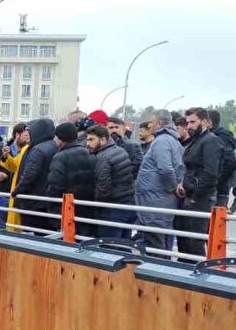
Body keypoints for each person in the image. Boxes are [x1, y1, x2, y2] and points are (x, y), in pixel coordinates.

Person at [135, 110, 186, 254]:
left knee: (155, 244)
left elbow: (165, 168)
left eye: (151, 122)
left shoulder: (161, 141)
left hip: (156, 200)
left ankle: (156, 267)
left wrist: (172, 188)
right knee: (161, 241)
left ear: (160, 123)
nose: (149, 125)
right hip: (160, 198)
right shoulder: (172, 141)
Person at [176, 108, 222, 257]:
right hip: (190, 196)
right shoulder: (196, 140)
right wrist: (184, 185)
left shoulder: (210, 140)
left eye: (193, 122)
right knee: (185, 241)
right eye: (188, 122)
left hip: (200, 199)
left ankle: (197, 270)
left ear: (205, 122)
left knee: (194, 242)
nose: (189, 126)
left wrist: (195, 193)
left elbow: (210, 173)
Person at [46, 122, 98, 236]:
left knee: (65, 240)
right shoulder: (89, 153)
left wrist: (51, 206)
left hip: (66, 209)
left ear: (61, 138)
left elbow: (55, 185)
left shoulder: (60, 157)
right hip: (86, 209)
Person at [86, 124, 136, 239]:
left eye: (91, 139)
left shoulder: (103, 157)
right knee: (125, 244)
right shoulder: (120, 150)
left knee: (109, 246)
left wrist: (97, 207)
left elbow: (103, 188)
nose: (87, 143)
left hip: (112, 209)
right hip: (127, 204)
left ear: (103, 140)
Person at [11, 119, 57, 230]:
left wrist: (16, 191)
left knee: (32, 234)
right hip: (47, 201)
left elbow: (30, 175)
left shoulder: (37, 150)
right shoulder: (54, 146)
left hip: (33, 202)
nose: (27, 134)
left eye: (29, 131)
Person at [209, 109, 236, 207]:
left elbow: (230, 163)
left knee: (216, 215)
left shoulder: (219, 137)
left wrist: (216, 180)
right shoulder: (219, 136)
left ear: (209, 122)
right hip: (218, 188)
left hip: (218, 190)